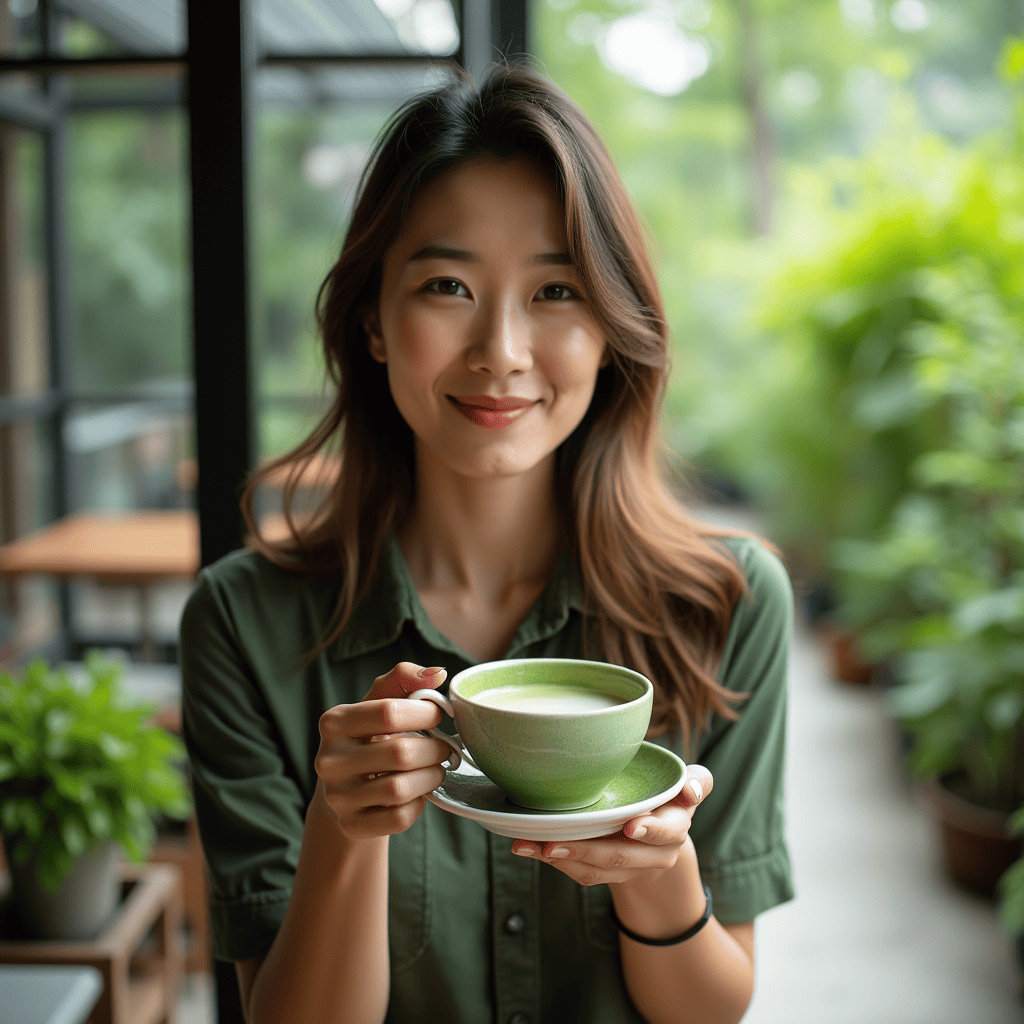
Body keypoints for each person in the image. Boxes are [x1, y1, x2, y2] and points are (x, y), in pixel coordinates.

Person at [179, 61, 794, 1024]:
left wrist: (658, 875)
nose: (501, 349)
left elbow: (713, 1010)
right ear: (374, 322)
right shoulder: (242, 621)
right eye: (447, 285)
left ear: (609, 328)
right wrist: (346, 830)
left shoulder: (729, 603)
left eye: (556, 291)